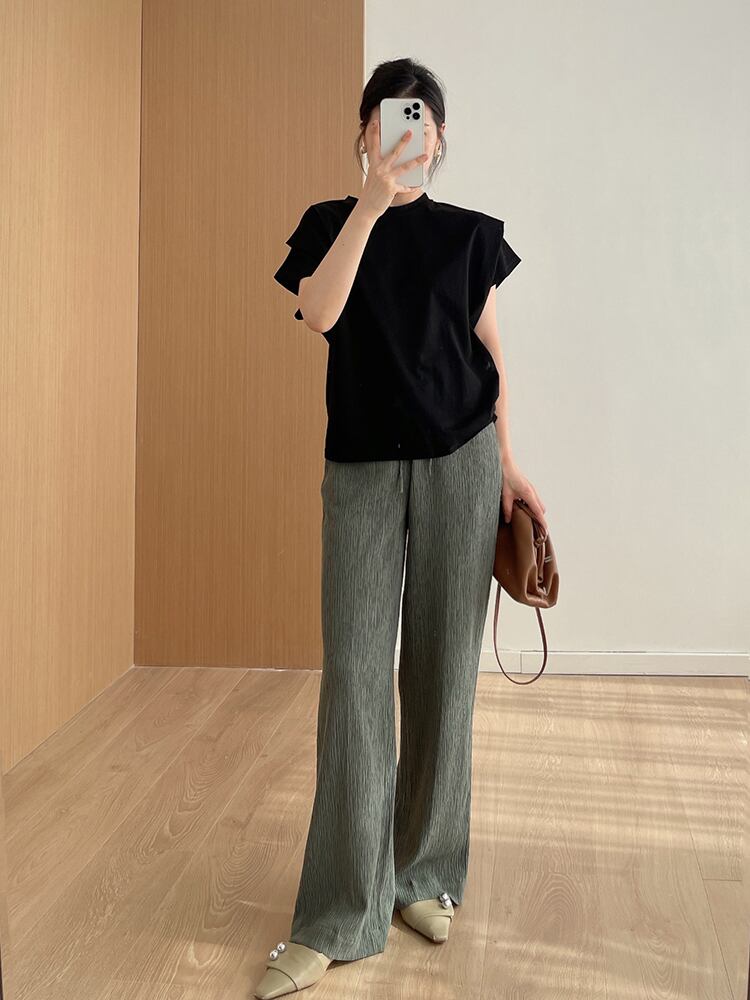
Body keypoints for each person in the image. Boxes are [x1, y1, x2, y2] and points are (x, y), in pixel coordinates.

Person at [255, 57, 547, 999]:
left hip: (463, 462)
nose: (405, 135)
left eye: (421, 122)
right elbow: (319, 313)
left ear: (440, 138)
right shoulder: (328, 225)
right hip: (362, 471)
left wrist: (509, 467)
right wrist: (372, 206)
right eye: (388, 120)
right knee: (353, 679)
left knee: (442, 671)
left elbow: (492, 359)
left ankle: (423, 876)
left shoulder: (470, 237)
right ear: (364, 132)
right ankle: (341, 912)